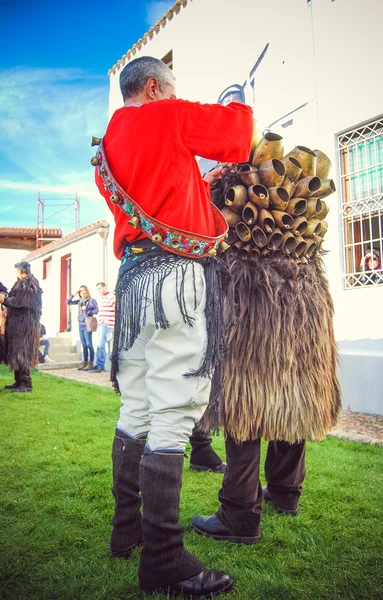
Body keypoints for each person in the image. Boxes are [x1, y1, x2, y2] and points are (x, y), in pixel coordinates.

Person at [93, 56, 253, 598]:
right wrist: (239, 94)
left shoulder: (106, 144)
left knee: (135, 403)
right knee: (176, 406)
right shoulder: (167, 114)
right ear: (155, 86)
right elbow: (235, 135)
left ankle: (127, 530)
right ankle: (163, 556)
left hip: (132, 278)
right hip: (177, 278)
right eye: (173, 88)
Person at [191, 158, 341, 544]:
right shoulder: (287, 201)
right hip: (304, 305)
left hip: (254, 305)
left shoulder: (228, 192)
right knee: (293, 399)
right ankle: (286, 493)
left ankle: (239, 515)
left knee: (246, 407)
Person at [0, 262, 42, 392]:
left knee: (22, 351)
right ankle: (18, 381)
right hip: (17, 324)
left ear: (20, 270)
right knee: (16, 352)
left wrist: (4, 301)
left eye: (17, 270)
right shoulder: (22, 283)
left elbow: (21, 302)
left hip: (25, 325)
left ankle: (25, 383)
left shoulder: (29, 283)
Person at [67, 285, 98, 371]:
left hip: (87, 324)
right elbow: (68, 302)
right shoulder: (80, 301)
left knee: (89, 344)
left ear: (86, 291)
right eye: (80, 291)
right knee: (83, 345)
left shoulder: (91, 300)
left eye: (83, 290)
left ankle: (91, 363)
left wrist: (87, 309)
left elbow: (96, 311)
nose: (82, 292)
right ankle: (85, 362)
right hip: (80, 324)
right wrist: (73, 294)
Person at [89, 282, 116, 373]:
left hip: (107, 324)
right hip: (101, 324)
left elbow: (116, 309)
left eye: (100, 288)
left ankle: (100, 365)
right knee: (100, 345)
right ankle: (100, 365)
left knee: (101, 345)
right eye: (97, 289)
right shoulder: (102, 298)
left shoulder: (111, 297)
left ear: (105, 287)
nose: (99, 291)